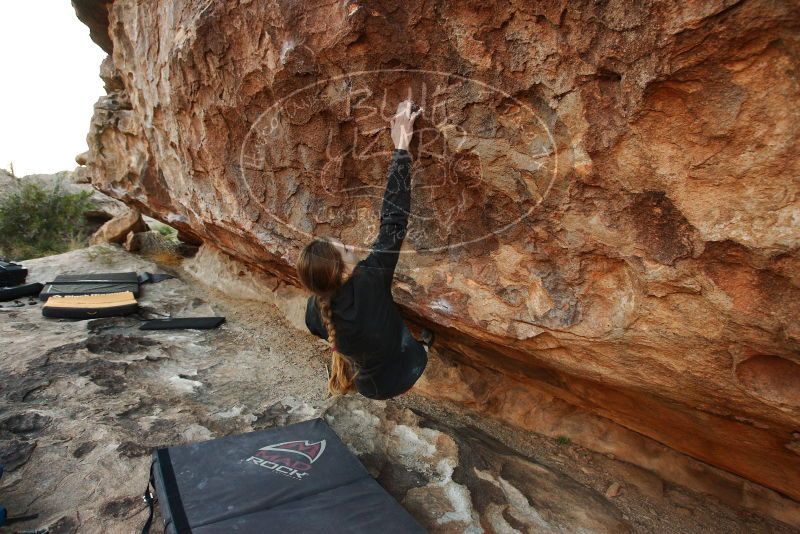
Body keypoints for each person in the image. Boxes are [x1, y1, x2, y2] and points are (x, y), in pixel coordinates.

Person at [297, 99, 434, 399]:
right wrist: (401, 148)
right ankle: (424, 346)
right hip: (404, 370)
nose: (349, 245)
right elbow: (393, 219)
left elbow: (319, 328)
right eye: (345, 249)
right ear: (344, 271)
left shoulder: (316, 311)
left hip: (369, 383)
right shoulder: (370, 280)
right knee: (416, 346)